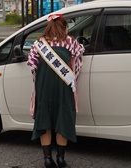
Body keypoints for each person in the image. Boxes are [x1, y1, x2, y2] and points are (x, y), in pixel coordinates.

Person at [27, 14, 85, 168]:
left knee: (44, 119)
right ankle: (61, 158)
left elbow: (32, 66)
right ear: (65, 27)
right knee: (63, 118)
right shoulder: (71, 42)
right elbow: (77, 66)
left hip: (44, 87)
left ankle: (47, 159)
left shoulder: (39, 43)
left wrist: (39, 83)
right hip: (64, 87)